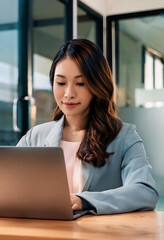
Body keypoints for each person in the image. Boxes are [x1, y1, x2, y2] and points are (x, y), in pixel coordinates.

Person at [17, 39, 158, 215]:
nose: (68, 93)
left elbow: (145, 192)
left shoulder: (124, 136)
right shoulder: (35, 136)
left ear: (98, 85)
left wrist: (84, 201)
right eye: (61, 83)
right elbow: (9, 185)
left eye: (80, 83)